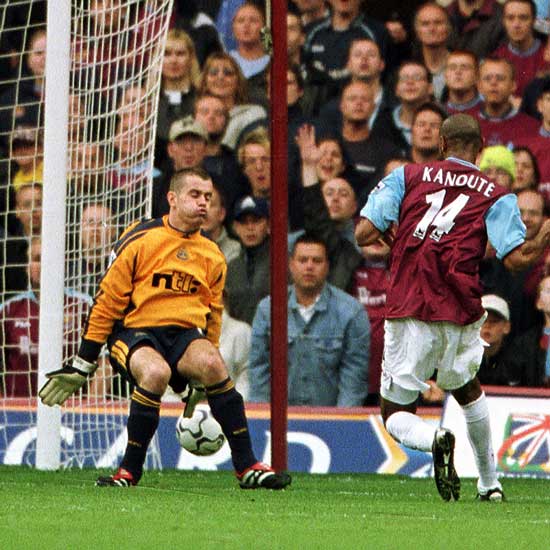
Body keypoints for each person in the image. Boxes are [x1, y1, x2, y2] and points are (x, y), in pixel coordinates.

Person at [38, 167, 291, 490]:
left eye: (209, 198)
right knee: (155, 373)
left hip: (183, 336)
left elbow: (212, 314)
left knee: (214, 365)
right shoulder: (140, 238)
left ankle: (247, 466)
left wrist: (205, 361)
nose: (203, 204)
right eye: (195, 195)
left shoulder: (212, 255)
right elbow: (108, 301)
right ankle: (128, 471)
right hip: (133, 332)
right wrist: (85, 361)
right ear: (172, 198)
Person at [355, 113, 550, 502]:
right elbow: (516, 259)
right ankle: (489, 483)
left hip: (410, 306)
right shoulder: (495, 193)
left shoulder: (408, 176)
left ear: (441, 145)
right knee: (467, 388)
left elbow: (363, 233)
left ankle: (435, 438)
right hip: (460, 309)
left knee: (395, 414)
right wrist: (544, 234)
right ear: (479, 150)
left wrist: (400, 236)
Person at [248, 234, 370, 406]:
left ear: (327, 266)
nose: (309, 266)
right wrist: (261, 418)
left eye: (317, 261)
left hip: (331, 422)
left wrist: (342, 422)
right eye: (303, 260)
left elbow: (353, 379)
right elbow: (258, 370)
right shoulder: (267, 310)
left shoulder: (352, 312)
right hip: (277, 423)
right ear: (291, 264)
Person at [1, 236, 92, 397]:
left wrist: (89, 410)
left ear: (63, 265)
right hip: (18, 409)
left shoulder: (84, 306)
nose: (43, 265)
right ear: (27, 267)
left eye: (49, 259)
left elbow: (104, 363)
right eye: (37, 259)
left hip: (73, 411)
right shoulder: (8, 310)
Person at [225, 195, 270, 324]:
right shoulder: (231, 268)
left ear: (268, 224)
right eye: (243, 222)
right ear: (235, 227)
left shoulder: (280, 263)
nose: (250, 228)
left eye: (256, 221)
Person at [478, 294, 514, 385]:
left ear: (506, 327)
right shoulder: (460, 360)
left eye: (494, 321)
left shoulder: (516, 362)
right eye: (482, 321)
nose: (487, 326)